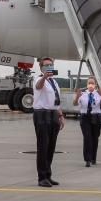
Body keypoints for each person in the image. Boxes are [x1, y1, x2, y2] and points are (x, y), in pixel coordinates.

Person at [32, 57, 65, 188]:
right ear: (41, 68)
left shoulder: (54, 82)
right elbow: (38, 86)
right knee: (43, 146)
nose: (48, 67)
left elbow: (55, 100)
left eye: (50, 65)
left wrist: (61, 115)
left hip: (53, 114)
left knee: (51, 147)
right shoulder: (39, 79)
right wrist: (44, 77)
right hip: (42, 114)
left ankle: (48, 175)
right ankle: (41, 177)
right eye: (46, 65)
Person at [76, 76, 101, 167]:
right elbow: (75, 103)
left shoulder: (98, 93)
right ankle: (87, 159)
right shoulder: (83, 94)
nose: (90, 85)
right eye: (89, 83)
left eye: (92, 83)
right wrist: (77, 96)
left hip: (96, 116)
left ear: (95, 85)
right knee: (87, 137)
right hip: (85, 117)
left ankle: (93, 158)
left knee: (95, 138)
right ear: (86, 84)